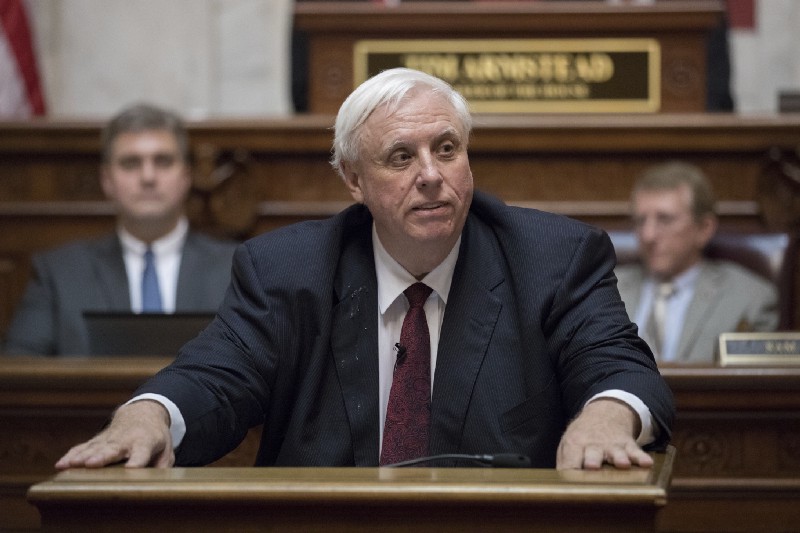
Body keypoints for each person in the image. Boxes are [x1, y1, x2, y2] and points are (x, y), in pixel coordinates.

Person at [55, 68, 674, 471]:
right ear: (354, 180)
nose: (430, 174)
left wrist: (605, 415)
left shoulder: (551, 257)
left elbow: (620, 365)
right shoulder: (289, 270)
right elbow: (216, 376)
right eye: (400, 156)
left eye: (447, 149)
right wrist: (149, 414)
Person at [3, 103, 237, 356]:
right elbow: (20, 371)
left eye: (163, 161)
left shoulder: (237, 269)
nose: (148, 177)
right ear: (107, 180)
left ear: (186, 176)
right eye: (130, 163)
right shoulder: (58, 274)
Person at [616, 161, 778, 364]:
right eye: (640, 221)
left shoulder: (750, 299)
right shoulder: (604, 289)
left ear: (704, 228)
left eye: (665, 219)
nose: (648, 235)